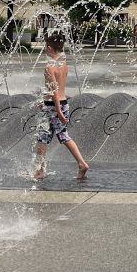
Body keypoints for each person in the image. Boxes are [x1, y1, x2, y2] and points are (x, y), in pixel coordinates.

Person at [34, 33, 89, 181]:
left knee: (43, 137)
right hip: (63, 103)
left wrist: (57, 111)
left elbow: (53, 91)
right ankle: (80, 164)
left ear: (49, 48)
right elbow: (60, 88)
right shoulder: (64, 64)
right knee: (60, 135)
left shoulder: (49, 67)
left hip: (53, 106)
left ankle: (41, 171)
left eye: (46, 47)